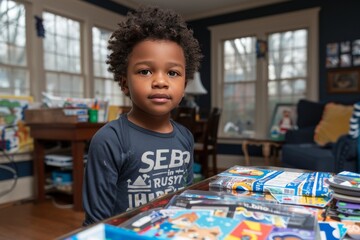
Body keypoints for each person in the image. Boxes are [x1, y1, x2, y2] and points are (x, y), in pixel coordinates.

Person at [82, 6, 202, 226]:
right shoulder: (110, 140)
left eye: (173, 73)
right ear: (124, 83)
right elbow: (96, 222)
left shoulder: (185, 137)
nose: (160, 81)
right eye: (145, 71)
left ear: (184, 86)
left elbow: (185, 199)